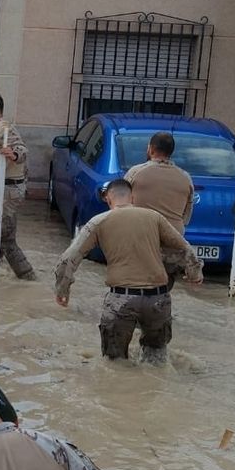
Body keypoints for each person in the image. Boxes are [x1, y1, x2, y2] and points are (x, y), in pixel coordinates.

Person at [54, 178, 203, 362]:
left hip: (121, 299)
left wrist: (63, 289)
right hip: (158, 299)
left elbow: (68, 259)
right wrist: (195, 274)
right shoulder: (154, 217)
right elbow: (184, 248)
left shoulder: (98, 222)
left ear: (108, 200)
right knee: (156, 360)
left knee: (114, 363)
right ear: (133, 197)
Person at [124, 131, 195, 288]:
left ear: (151, 149)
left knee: (134, 287)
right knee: (164, 288)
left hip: (141, 240)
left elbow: (122, 205)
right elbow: (186, 216)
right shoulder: (186, 178)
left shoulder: (135, 172)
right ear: (171, 152)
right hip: (172, 242)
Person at [0, 92, 35, 280]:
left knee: (4, 237)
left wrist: (14, 153)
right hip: (8, 189)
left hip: (10, 190)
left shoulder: (2, 127)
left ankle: (28, 277)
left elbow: (23, 149)